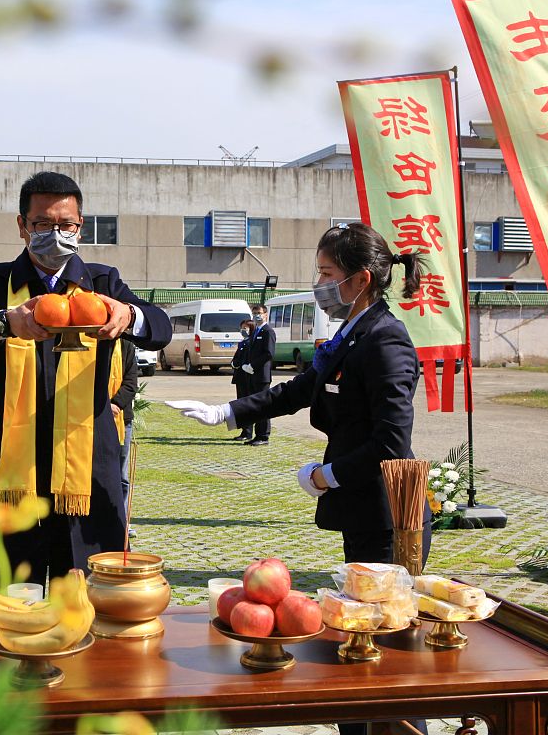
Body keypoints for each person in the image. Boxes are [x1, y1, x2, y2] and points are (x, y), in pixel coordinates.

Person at [168, 222, 431, 735]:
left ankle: (397, 726)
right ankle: (361, 725)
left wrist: (327, 475)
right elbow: (298, 391)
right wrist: (226, 412)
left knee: (386, 645)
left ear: (359, 279)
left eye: (328, 273)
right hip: (362, 509)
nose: (320, 283)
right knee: (360, 638)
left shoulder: (385, 341)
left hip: (387, 514)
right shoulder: (351, 334)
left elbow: (392, 442)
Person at [0, 171, 171, 591]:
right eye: (43, 224)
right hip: (12, 460)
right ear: (22, 226)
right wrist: (6, 321)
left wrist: (128, 316)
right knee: (11, 598)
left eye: (67, 225)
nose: (56, 234)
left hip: (83, 462)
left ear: (80, 227)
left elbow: (160, 326)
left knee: (84, 591)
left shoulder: (102, 283)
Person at [230, 305, 275, 445]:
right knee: (254, 406)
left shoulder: (268, 331)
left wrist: (252, 366)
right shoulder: (256, 332)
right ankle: (256, 435)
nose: (257, 315)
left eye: (259, 313)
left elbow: (268, 353)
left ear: (266, 314)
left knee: (263, 406)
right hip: (252, 375)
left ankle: (263, 436)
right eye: (254, 313)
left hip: (261, 375)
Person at [110, 340, 138, 537]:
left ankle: (122, 521)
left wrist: (115, 404)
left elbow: (131, 383)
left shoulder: (126, 346)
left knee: (121, 475)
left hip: (121, 417)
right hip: (93, 416)